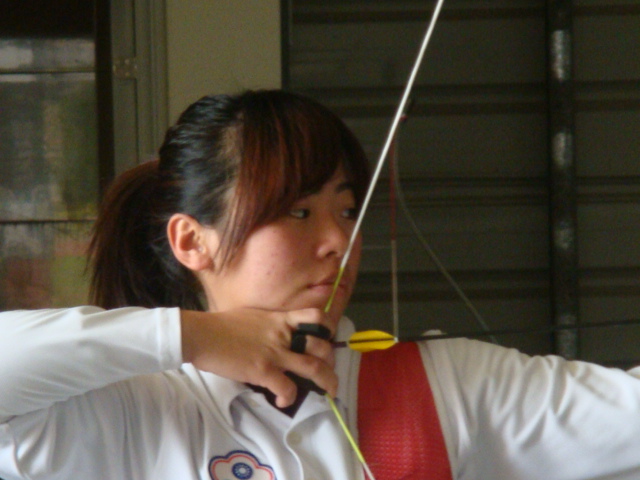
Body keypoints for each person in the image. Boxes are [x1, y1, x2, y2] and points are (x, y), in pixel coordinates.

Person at [2, 90, 640, 480]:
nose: (338, 239)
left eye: (347, 209)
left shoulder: (443, 385)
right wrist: (192, 337)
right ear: (192, 241)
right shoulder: (129, 410)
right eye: (299, 212)